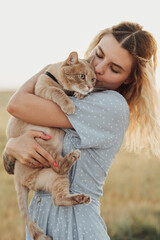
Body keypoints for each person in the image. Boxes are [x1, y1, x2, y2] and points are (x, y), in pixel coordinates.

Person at [3, 22, 160, 239]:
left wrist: (53, 68)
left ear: (129, 78)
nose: (98, 68)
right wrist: (12, 147)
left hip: (76, 229)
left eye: (114, 68)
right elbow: (23, 161)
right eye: (99, 54)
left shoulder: (111, 106)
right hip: (40, 223)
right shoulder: (75, 93)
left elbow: (16, 105)